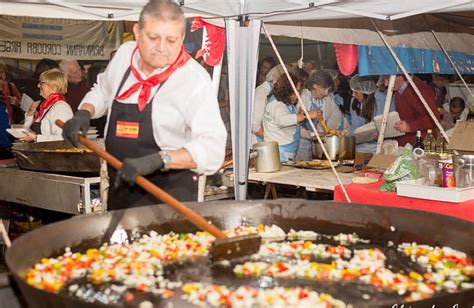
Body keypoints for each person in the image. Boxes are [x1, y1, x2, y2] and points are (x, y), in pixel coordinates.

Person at [62, 0, 227, 210]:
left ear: (182, 38)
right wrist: (84, 112)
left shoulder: (193, 79)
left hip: (169, 198)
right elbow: (103, 89)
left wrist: (159, 160)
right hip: (120, 189)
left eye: (171, 40)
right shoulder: (124, 55)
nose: (161, 48)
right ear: (137, 32)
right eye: (153, 37)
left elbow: (212, 148)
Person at [263, 73, 320, 161]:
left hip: (285, 151)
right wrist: (306, 115)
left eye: (299, 91)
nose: (297, 95)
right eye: (295, 91)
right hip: (279, 154)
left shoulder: (285, 103)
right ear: (287, 89)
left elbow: (293, 126)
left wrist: (313, 134)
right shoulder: (277, 104)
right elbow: (281, 120)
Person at [295, 70, 347, 160]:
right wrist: (312, 134)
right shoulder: (302, 97)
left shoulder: (326, 100)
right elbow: (295, 125)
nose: (326, 93)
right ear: (315, 85)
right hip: (300, 142)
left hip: (314, 142)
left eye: (328, 90)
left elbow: (336, 118)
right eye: (324, 89)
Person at [384, 75, 440, 146]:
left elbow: (434, 118)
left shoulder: (418, 90)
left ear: (400, 77)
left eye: (388, 80)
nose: (385, 84)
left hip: (421, 145)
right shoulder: (399, 91)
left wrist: (409, 127)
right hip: (408, 143)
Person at [20, 69, 73, 142]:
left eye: (42, 83)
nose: (38, 86)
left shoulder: (61, 107)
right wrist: (30, 114)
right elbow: (27, 131)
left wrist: (36, 138)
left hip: (53, 153)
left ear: (53, 87)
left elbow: (65, 138)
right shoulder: (46, 106)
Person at [251, 64, 294, 144]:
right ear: (275, 80)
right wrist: (275, 139)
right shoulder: (262, 93)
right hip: (260, 143)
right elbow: (254, 125)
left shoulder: (276, 92)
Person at [348, 75, 390, 153]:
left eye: (356, 92)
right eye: (352, 91)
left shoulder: (382, 99)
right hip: (360, 146)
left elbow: (388, 124)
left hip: (380, 145)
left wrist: (382, 134)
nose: (353, 95)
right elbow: (355, 125)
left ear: (366, 91)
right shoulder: (354, 101)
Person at [0, 60, 22, 124]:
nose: (0, 75)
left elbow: (20, 105)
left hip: (10, 124)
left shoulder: (11, 86)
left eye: (2, 72)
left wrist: (17, 103)